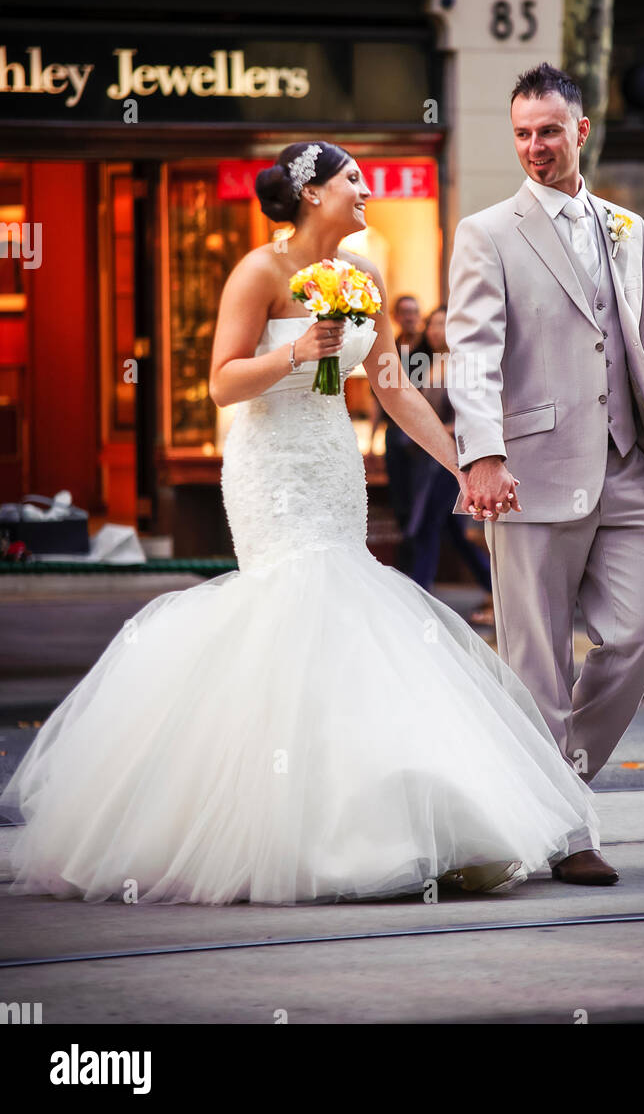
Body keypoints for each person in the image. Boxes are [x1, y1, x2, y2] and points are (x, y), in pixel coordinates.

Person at [0, 140, 603, 906]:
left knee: (346, 610)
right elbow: (220, 383)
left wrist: (466, 464)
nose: (366, 194)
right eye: (354, 182)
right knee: (296, 605)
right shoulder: (258, 271)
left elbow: (392, 388)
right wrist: (297, 356)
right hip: (269, 466)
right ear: (313, 193)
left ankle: (388, 823)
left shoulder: (365, 278)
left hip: (329, 460)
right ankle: (283, 829)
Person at [446, 63, 644, 886]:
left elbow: (642, 349)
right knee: (536, 663)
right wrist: (481, 453)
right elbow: (472, 353)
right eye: (520, 133)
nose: (533, 147)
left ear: (579, 131)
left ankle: (548, 789)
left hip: (624, 469)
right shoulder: (486, 232)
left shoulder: (626, 227)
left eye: (548, 131)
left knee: (641, 634)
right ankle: (563, 832)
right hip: (529, 471)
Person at [405, 306, 494, 603]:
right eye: (430, 324)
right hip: (428, 459)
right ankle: (492, 589)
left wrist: (437, 429)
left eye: (441, 324)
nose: (434, 330)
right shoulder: (430, 364)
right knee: (450, 531)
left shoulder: (460, 365)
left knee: (427, 526)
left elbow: (469, 414)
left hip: (452, 457)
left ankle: (420, 593)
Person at [368, 293, 425, 568]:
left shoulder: (430, 348)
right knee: (400, 502)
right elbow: (380, 398)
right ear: (396, 316)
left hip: (422, 436)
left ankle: (416, 567)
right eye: (405, 312)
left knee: (420, 505)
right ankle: (407, 565)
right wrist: (371, 440)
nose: (410, 317)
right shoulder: (390, 349)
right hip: (395, 434)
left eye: (414, 311)